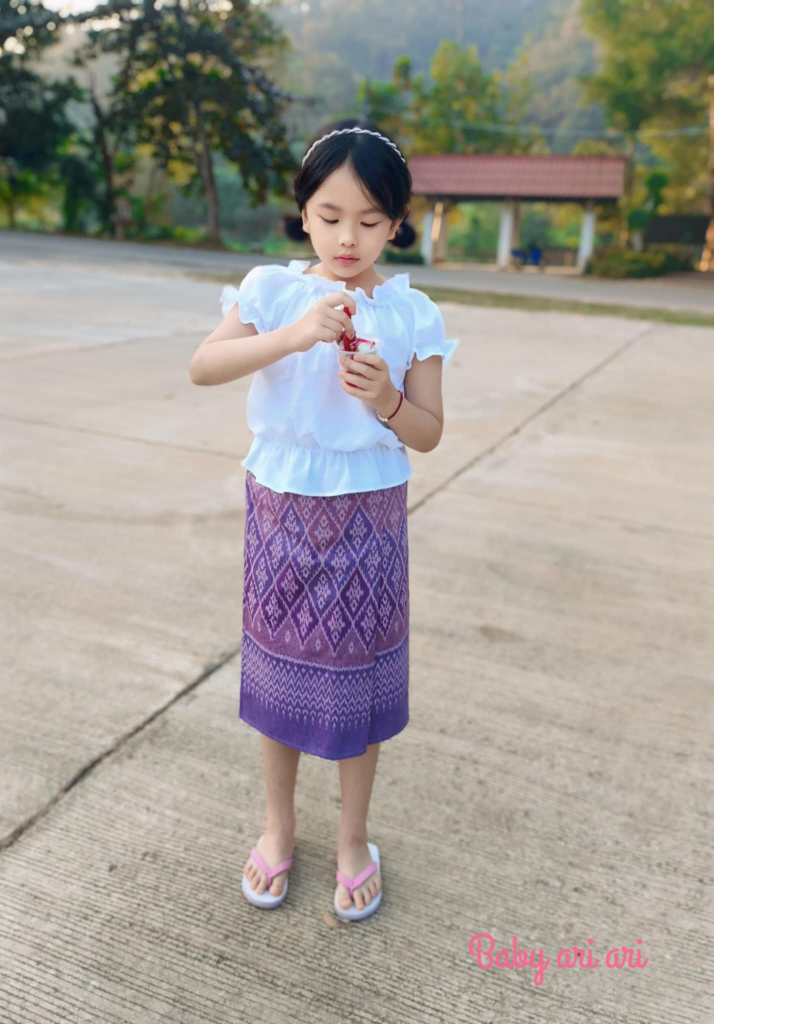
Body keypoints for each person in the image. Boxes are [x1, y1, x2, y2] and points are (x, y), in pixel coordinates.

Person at [187, 118, 459, 921]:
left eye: (370, 221)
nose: (348, 238)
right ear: (303, 212)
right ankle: (278, 827)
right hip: (280, 508)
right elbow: (204, 366)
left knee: (358, 683)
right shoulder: (272, 291)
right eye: (331, 215)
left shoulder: (412, 314)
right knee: (278, 668)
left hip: (370, 516)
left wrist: (387, 400)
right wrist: (294, 334)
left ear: (396, 224)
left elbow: (429, 433)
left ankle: (352, 839)